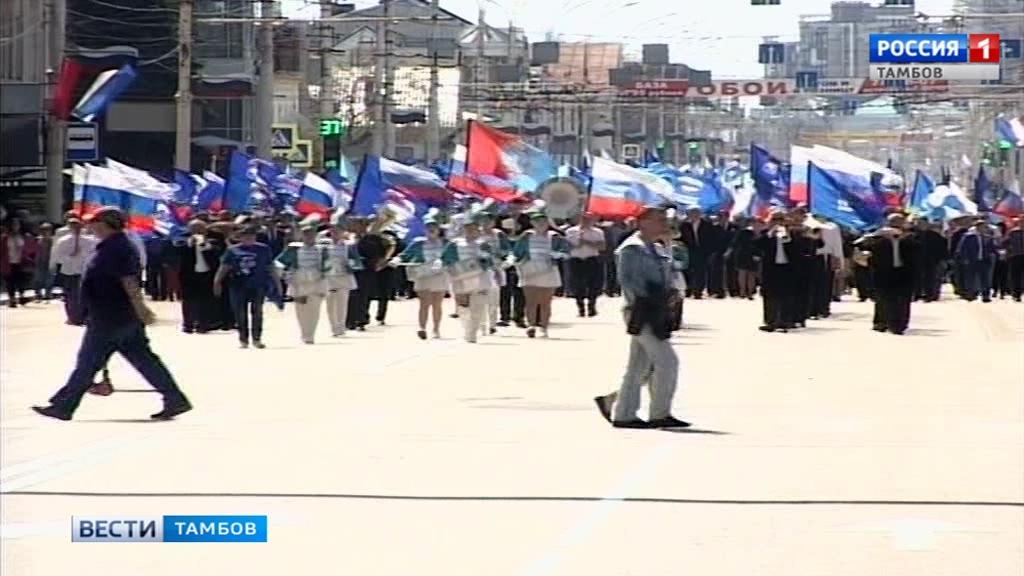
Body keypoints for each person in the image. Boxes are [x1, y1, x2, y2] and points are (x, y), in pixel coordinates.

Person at [32, 207, 192, 421]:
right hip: (114, 315)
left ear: (106, 224)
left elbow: (128, 281)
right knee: (145, 361)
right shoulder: (110, 246)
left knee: (88, 362)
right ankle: (175, 399)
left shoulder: (118, 248)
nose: (91, 226)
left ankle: (64, 405)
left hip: (112, 316)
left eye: (94, 222)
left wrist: (141, 308)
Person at [593, 206, 689, 429]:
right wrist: (659, 297)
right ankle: (659, 413)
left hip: (657, 310)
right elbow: (630, 283)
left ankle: (623, 412)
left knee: (638, 367)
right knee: (667, 362)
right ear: (643, 222)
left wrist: (671, 294)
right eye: (659, 220)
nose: (664, 223)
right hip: (642, 310)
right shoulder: (631, 249)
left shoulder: (656, 249)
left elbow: (669, 276)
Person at [214, 224, 278, 349]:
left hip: (257, 284)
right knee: (240, 313)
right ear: (241, 237)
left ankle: (257, 339)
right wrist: (217, 282)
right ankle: (243, 339)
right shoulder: (232, 250)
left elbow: (270, 267)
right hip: (238, 285)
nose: (249, 238)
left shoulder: (263, 249)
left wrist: (277, 283)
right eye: (245, 236)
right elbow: (224, 267)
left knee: (257, 312)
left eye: (251, 236)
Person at [855, 213, 918, 335]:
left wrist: (903, 238)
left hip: (903, 272)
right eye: (893, 222)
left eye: (899, 222)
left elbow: (918, 251)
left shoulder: (911, 236)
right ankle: (881, 322)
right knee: (883, 297)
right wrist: (878, 237)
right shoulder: (877, 236)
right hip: (883, 271)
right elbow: (860, 245)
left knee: (902, 299)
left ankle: (899, 324)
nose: (896, 225)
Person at [511, 209, 569, 338]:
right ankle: (531, 325)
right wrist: (516, 261)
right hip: (529, 270)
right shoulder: (526, 236)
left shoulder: (555, 236)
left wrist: (556, 254)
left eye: (543, 221)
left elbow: (566, 252)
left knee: (545, 302)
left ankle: (543, 327)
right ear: (532, 223)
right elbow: (516, 253)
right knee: (530, 301)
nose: (540, 224)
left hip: (548, 270)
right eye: (537, 221)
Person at [395, 213, 450, 340]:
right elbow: (405, 255)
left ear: (438, 229)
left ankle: (436, 329)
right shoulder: (418, 243)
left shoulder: (446, 243)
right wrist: (396, 260)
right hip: (423, 274)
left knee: (437, 303)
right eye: (428, 227)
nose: (431, 229)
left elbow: (452, 256)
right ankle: (422, 327)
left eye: (434, 227)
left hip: (440, 275)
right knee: (424, 303)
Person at [276, 219, 329, 344]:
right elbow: (279, 262)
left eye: (311, 233)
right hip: (299, 282)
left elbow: (330, 265)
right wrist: (283, 274)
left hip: (317, 282)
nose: (309, 236)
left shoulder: (322, 249)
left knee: (314, 309)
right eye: (306, 233)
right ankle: (304, 333)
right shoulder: (294, 249)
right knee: (301, 310)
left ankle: (310, 334)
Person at [443, 212, 494, 343]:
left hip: (480, 278)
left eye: (473, 228)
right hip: (460, 278)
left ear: (478, 229)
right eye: (467, 228)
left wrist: (482, 260)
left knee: (478, 306)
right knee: (463, 306)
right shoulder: (454, 244)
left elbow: (489, 261)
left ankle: (472, 333)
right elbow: (446, 260)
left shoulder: (484, 244)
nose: (470, 230)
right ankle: (467, 329)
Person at [50, 217, 96, 325]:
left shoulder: (89, 241)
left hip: (82, 271)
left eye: (77, 225)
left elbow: (93, 253)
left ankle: (82, 316)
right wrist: (70, 257)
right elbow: (58, 256)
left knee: (82, 295)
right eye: (73, 225)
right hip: (68, 271)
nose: (76, 228)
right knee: (69, 295)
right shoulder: (63, 241)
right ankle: (72, 317)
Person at [754, 210, 796, 333]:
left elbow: (797, 249)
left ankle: (784, 321)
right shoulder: (766, 233)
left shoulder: (791, 233)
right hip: (770, 268)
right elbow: (757, 245)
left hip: (786, 268)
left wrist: (787, 238)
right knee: (769, 295)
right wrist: (769, 233)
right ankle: (770, 322)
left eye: (780, 220)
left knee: (785, 295)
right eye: (775, 219)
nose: (778, 222)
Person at [322, 213, 362, 337]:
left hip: (344, 278)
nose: (335, 233)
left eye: (338, 231)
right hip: (329, 279)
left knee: (342, 303)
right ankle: (333, 327)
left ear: (342, 232)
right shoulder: (324, 246)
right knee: (330, 304)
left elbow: (358, 263)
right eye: (333, 231)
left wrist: (350, 264)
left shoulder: (349, 246)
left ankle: (340, 327)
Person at [176, 220, 219, 334]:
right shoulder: (182, 239)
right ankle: (188, 324)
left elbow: (216, 250)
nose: (197, 231)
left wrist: (205, 244)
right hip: (189, 275)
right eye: (195, 228)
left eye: (200, 228)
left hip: (206, 274)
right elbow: (177, 247)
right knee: (188, 300)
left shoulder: (212, 239)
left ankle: (203, 324)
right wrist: (190, 243)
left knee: (205, 300)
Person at [566, 212, 607, 317]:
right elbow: (567, 246)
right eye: (584, 218)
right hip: (576, 259)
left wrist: (587, 242)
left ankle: (592, 306)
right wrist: (578, 241)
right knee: (577, 284)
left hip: (591, 259)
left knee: (593, 284)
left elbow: (602, 246)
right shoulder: (571, 231)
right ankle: (580, 307)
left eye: (589, 219)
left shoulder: (598, 232)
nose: (586, 221)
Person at [955, 218, 997, 303]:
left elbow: (992, 248)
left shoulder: (987, 238)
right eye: (982, 227)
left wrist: (997, 253)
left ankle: (985, 295)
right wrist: (964, 258)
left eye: (985, 227)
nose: (984, 229)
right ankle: (970, 294)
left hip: (984, 261)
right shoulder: (969, 237)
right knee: (970, 278)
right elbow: (962, 248)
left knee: (985, 279)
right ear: (977, 227)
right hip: (971, 260)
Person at [678, 207, 714, 299]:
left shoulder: (707, 225)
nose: (694, 215)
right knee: (688, 271)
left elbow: (711, 239)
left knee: (700, 272)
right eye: (692, 213)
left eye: (696, 213)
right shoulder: (684, 225)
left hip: (702, 252)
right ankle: (688, 290)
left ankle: (698, 291)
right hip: (688, 251)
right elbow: (680, 238)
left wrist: (709, 251)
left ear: (699, 214)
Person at [1, 218, 38, 307]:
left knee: (21, 280)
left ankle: (21, 296)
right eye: (13, 225)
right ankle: (12, 299)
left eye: (17, 225)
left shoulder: (23, 236)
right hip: (8, 262)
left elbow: (30, 248)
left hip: (21, 262)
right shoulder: (4, 238)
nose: (15, 227)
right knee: (10, 281)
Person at [1003, 216, 1024, 302]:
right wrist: (1009, 250)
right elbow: (1005, 242)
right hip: (1015, 256)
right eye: (1022, 221)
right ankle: (1016, 294)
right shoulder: (1013, 232)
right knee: (1016, 276)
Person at [33, 222, 56, 301]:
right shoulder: (37, 240)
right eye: (43, 230)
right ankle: (38, 293)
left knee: (50, 278)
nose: (45, 231)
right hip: (39, 261)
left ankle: (48, 293)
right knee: (38, 278)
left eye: (47, 229)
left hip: (51, 261)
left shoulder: (54, 240)